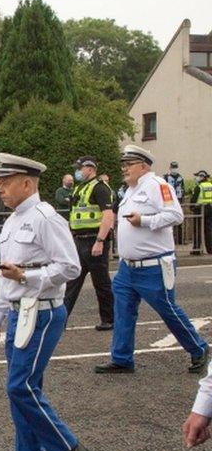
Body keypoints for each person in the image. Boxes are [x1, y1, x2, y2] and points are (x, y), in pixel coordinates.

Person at [0, 153, 91, 451]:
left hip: (41, 312)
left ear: (27, 183)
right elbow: (6, 275)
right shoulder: (13, 220)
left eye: (7, 181)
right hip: (20, 312)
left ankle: (70, 450)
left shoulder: (46, 217)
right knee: (22, 391)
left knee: (20, 386)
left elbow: (70, 267)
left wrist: (28, 276)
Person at [95, 145, 209, 375]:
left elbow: (176, 215)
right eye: (123, 164)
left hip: (154, 265)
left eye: (129, 164)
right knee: (123, 311)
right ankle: (122, 358)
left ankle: (199, 349)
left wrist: (144, 221)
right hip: (129, 267)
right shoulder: (130, 190)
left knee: (167, 309)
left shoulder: (159, 185)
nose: (124, 168)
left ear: (144, 165)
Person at [63, 156, 115, 331]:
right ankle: (60, 321)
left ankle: (109, 319)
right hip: (79, 240)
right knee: (71, 282)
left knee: (101, 283)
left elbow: (108, 215)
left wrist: (100, 241)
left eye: (80, 168)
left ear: (90, 168)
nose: (77, 171)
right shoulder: (80, 188)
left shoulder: (100, 188)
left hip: (94, 240)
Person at [190, 170, 212, 254]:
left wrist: (191, 207)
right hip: (210, 208)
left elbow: (194, 199)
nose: (197, 178)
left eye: (198, 176)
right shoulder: (211, 185)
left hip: (200, 209)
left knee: (197, 229)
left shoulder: (199, 187)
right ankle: (210, 249)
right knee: (209, 230)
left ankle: (197, 249)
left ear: (202, 177)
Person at [165, 162, 185, 244]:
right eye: (173, 167)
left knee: (179, 220)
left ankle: (179, 240)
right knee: (169, 220)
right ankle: (170, 240)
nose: (174, 169)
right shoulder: (166, 177)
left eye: (176, 167)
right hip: (169, 201)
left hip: (179, 200)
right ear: (170, 168)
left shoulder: (180, 178)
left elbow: (183, 189)